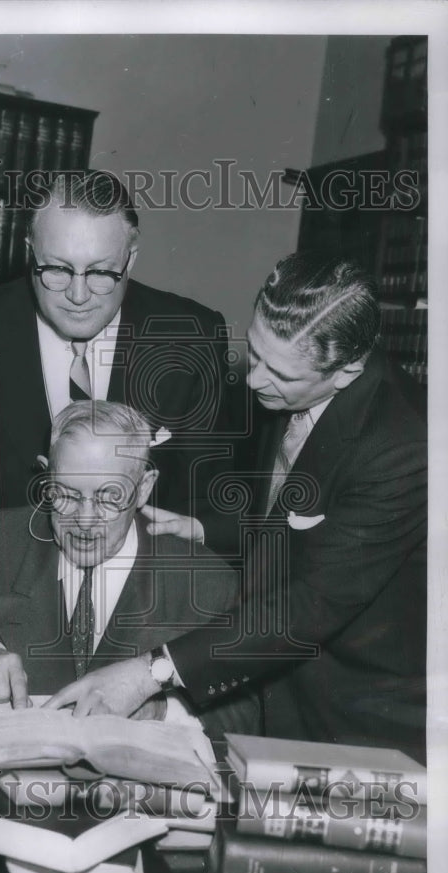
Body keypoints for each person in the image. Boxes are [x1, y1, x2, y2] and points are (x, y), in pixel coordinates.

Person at [45, 255, 427, 763]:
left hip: (359, 711)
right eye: (255, 354)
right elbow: (288, 507)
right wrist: (205, 527)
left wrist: (150, 672)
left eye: (278, 372)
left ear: (347, 370)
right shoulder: (285, 388)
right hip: (274, 681)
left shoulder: (406, 444)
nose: (253, 381)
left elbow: (311, 605)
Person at [0, 400, 260, 734]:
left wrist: (161, 709)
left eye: (110, 496)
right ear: (45, 475)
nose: (85, 521)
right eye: (67, 495)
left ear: (145, 488)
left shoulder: (207, 584)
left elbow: (243, 715)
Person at [0, 169, 236, 524]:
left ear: (130, 258)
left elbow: (211, 500)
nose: (78, 296)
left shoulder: (192, 336)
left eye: (100, 272)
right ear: (30, 251)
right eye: (58, 269)